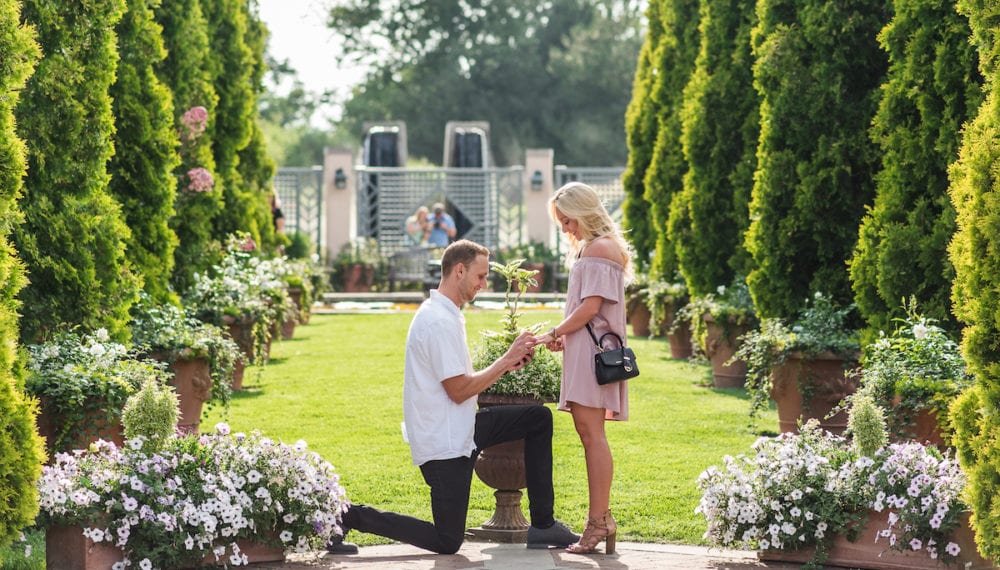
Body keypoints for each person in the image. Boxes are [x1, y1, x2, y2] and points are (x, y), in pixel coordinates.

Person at [328, 239, 579, 555]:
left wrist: (509, 362)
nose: (484, 284)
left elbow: (460, 387)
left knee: (537, 418)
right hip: (444, 446)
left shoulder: (446, 313)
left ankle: (543, 525)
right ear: (459, 270)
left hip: (462, 429)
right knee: (447, 541)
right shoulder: (437, 321)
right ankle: (349, 515)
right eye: (480, 276)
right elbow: (458, 390)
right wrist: (504, 360)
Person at [529, 182, 632, 555]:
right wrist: (564, 336)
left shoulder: (600, 249)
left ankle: (600, 521)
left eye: (567, 220)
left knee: (593, 436)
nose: (565, 229)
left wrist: (555, 332)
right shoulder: (594, 248)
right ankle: (600, 520)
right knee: (589, 434)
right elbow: (586, 309)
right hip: (585, 351)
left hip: (592, 356)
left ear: (584, 212)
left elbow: (590, 309)